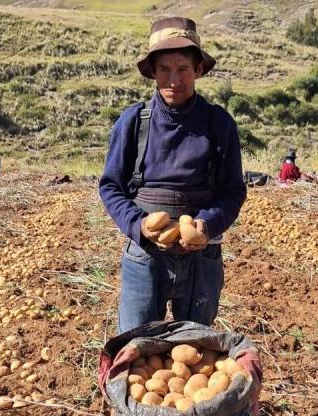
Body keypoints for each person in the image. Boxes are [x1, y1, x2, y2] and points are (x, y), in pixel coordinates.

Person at [99, 17, 246, 334]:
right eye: (164, 69)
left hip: (201, 257)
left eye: (183, 69)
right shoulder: (133, 122)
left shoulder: (219, 124)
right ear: (152, 72)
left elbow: (233, 191)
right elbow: (111, 186)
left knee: (192, 351)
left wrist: (206, 225)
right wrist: (138, 225)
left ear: (199, 70)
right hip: (145, 255)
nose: (173, 79)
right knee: (135, 345)